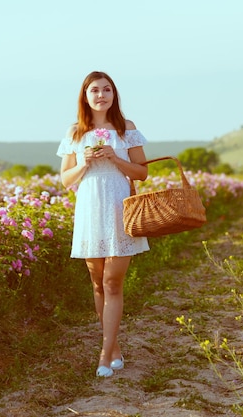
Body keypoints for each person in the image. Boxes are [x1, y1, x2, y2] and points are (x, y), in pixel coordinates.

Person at [56, 71, 151, 377]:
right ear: (85, 96)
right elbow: (65, 180)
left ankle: (102, 355)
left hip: (119, 206)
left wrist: (114, 158)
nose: (101, 95)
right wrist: (83, 162)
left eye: (107, 89)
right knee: (97, 282)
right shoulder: (75, 133)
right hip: (89, 207)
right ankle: (115, 348)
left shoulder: (127, 128)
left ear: (114, 95)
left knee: (113, 282)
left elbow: (141, 173)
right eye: (94, 90)